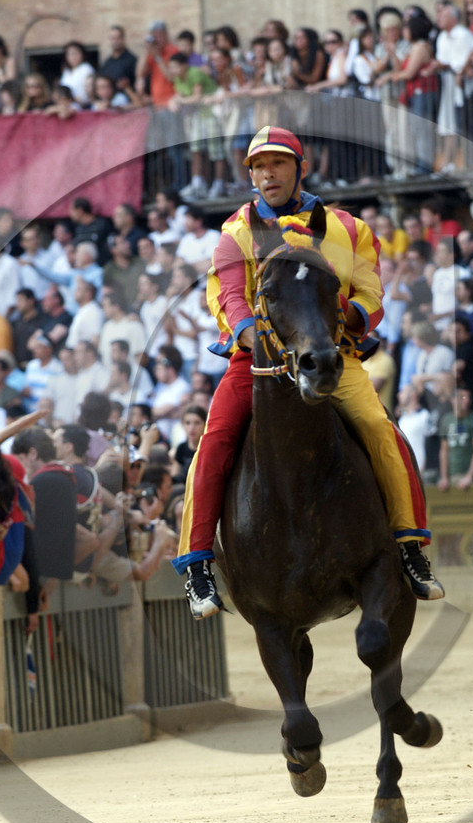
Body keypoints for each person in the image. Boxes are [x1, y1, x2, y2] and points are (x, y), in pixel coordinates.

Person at [170, 126, 443, 619]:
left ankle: (409, 547)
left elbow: (370, 297)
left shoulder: (350, 228)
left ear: (301, 166)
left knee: (382, 430)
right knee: (212, 441)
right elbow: (229, 295)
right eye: (258, 166)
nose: (266, 174)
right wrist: (251, 335)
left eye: (276, 163)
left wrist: (335, 317)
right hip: (256, 361)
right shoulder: (235, 231)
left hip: (334, 354)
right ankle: (197, 564)